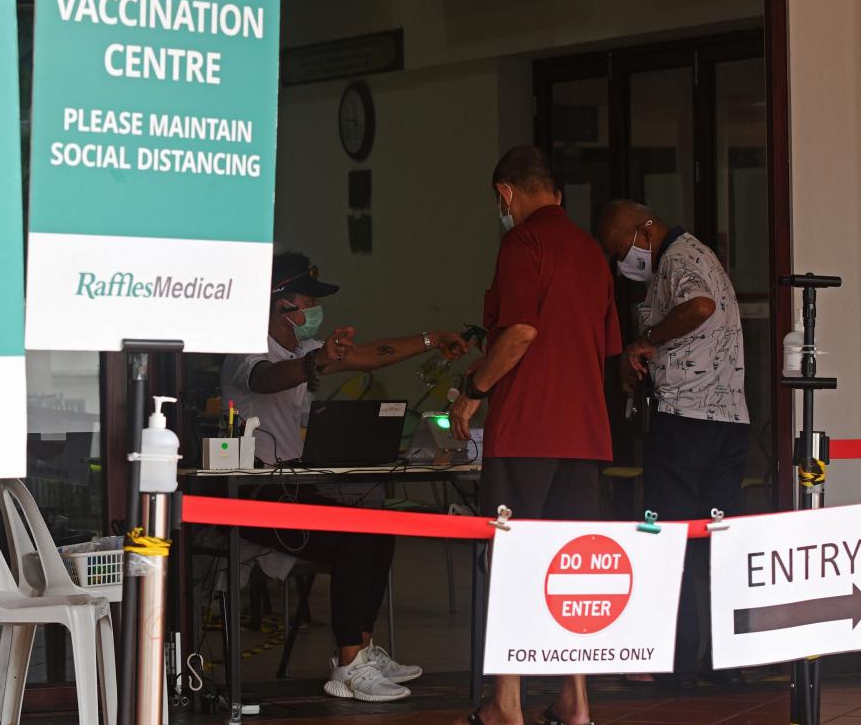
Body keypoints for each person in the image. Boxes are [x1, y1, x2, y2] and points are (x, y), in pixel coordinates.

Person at [220, 250, 467, 703]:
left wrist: (433, 339)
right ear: (279, 303)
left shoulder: (304, 350)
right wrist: (315, 363)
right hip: (254, 493)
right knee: (355, 536)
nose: (314, 309)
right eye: (306, 299)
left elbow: (370, 356)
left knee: (380, 526)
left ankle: (364, 648)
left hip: (295, 487)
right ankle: (349, 665)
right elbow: (268, 379)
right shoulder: (247, 348)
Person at [449, 147, 620, 725]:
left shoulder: (522, 244)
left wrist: (473, 388)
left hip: (527, 429)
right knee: (571, 569)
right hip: (587, 433)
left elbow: (520, 330)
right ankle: (577, 700)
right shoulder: (593, 253)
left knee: (514, 562)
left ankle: (507, 703)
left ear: (506, 192)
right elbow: (605, 346)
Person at [596, 199, 749, 687]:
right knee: (716, 544)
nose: (623, 262)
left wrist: (647, 341)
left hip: (686, 420)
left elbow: (699, 306)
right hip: (727, 420)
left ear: (643, 229)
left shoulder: (677, 258)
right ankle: (727, 664)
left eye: (620, 249)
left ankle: (675, 664)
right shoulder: (699, 252)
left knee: (671, 540)